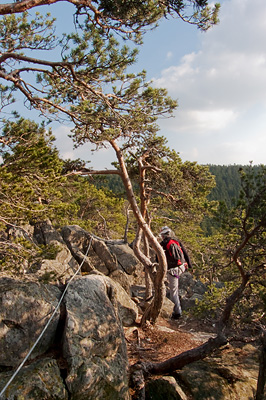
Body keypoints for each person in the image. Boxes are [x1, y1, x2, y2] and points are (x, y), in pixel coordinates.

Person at [159, 226, 193, 320]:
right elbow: (185, 253)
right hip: (182, 267)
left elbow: (159, 258)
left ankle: (178, 312)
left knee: (173, 291)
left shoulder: (163, 244)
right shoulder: (176, 241)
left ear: (163, 235)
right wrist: (190, 266)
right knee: (173, 289)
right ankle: (176, 307)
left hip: (173, 270)